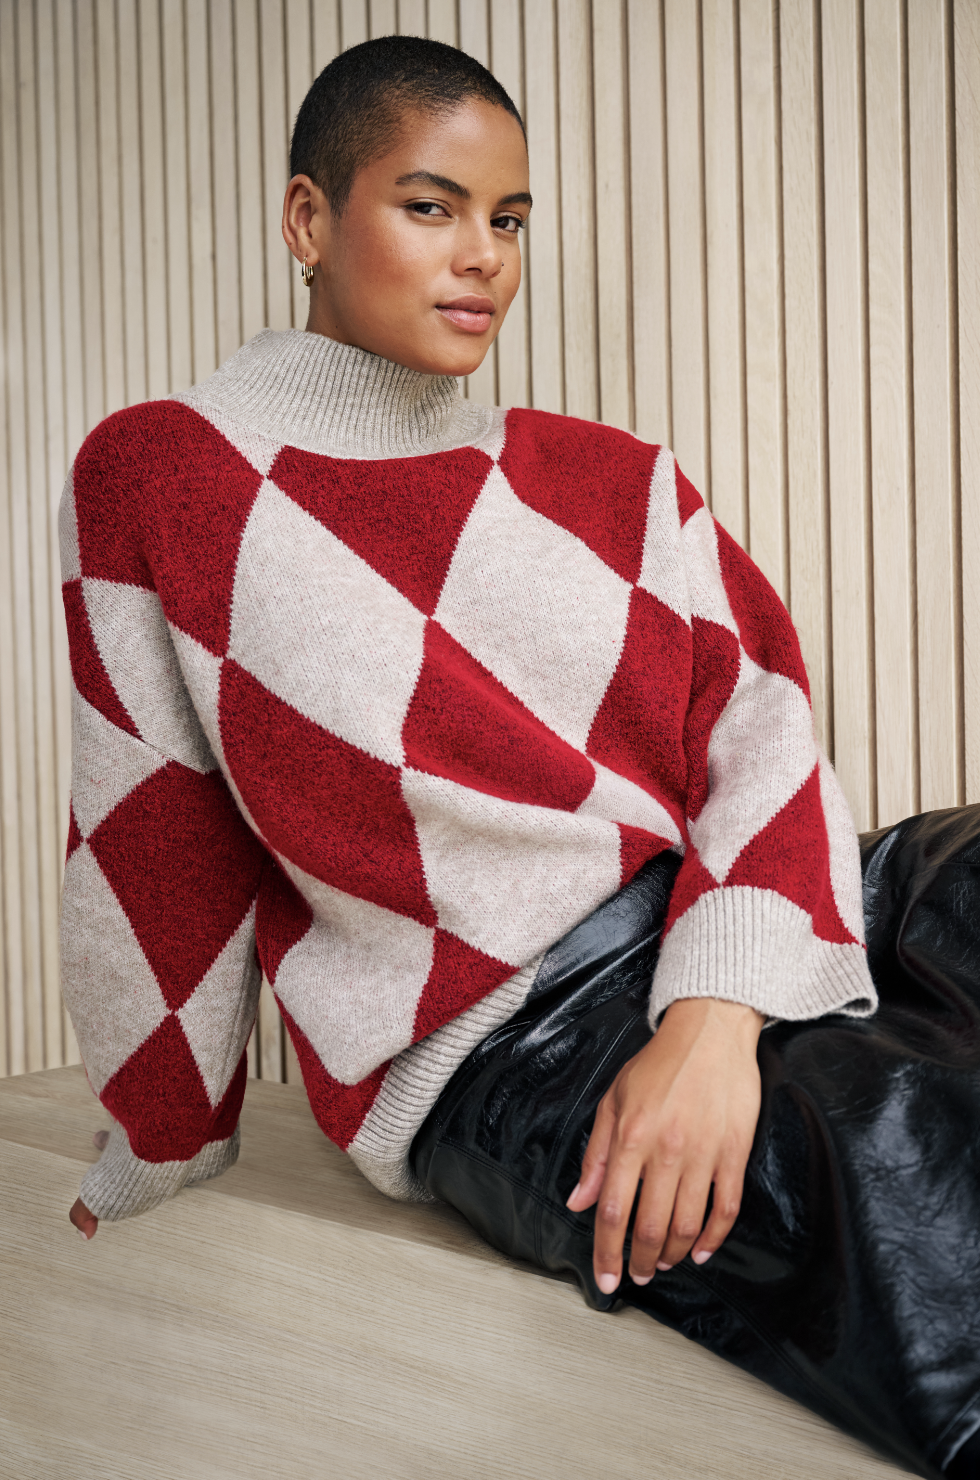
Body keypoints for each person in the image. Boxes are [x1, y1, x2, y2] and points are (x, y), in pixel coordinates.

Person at [59, 36, 980, 1477]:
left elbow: (763, 731)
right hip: (515, 1033)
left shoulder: (616, 475)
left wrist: (716, 1015)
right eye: (429, 207)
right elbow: (152, 833)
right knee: (901, 1152)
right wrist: (157, 1142)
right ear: (309, 220)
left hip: (715, 917)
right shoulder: (166, 470)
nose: (482, 256)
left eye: (509, 219)